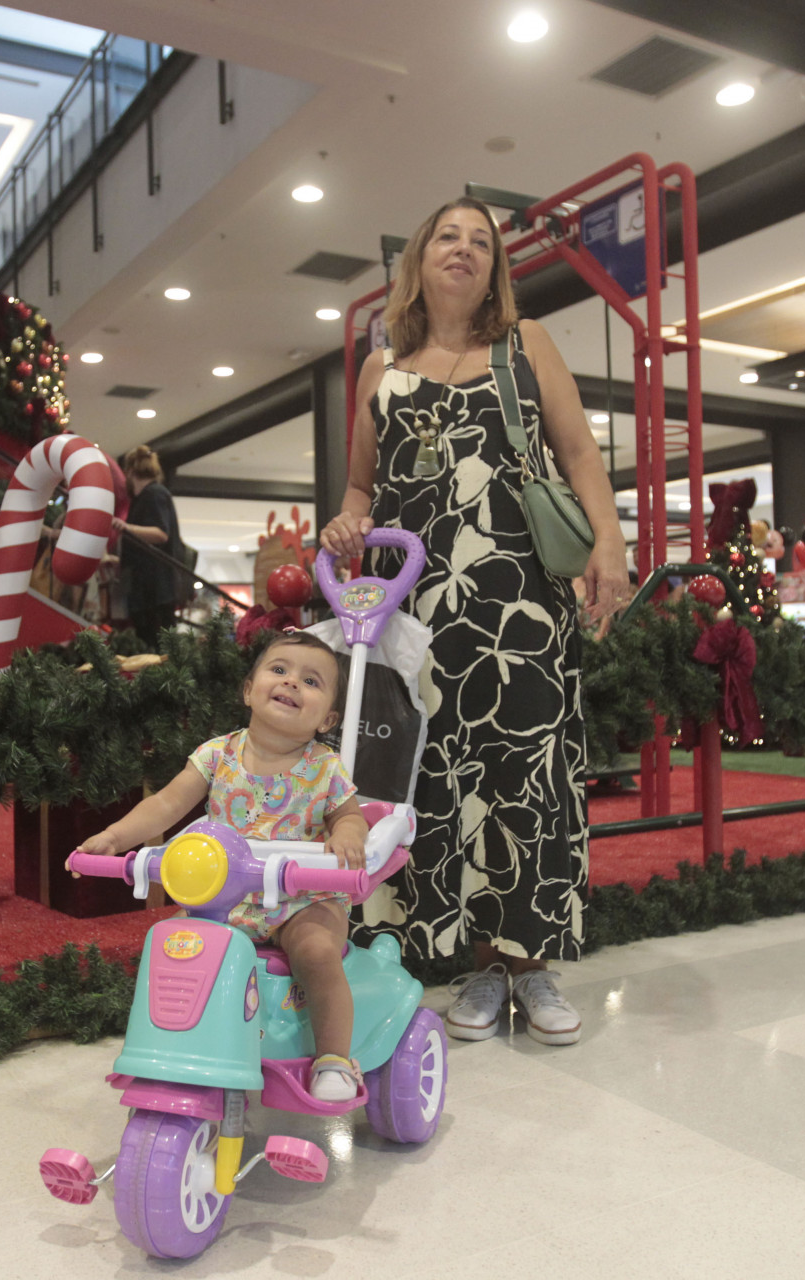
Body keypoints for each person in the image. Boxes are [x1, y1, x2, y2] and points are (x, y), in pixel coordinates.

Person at [320, 196, 631, 1047]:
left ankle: (529, 965)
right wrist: (345, 524)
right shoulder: (380, 370)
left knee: (527, 772)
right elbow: (360, 488)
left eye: (482, 243)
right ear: (419, 259)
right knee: (437, 781)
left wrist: (610, 544)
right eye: (448, 237)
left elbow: (577, 456)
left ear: (497, 268)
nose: (464, 250)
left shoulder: (525, 346)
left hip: (519, 602)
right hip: (412, 613)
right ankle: (474, 967)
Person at [75, 631, 370, 1100]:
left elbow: (349, 815)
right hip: (223, 900)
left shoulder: (325, 768)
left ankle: (334, 1059)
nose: (291, 683)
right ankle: (174, 1043)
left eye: (310, 681)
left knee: (315, 951)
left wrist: (347, 835)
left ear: (327, 718)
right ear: (248, 689)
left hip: (301, 899)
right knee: (175, 949)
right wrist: (115, 837)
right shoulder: (217, 755)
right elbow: (167, 804)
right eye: (279, 670)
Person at [114, 445, 184, 646]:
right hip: (149, 589)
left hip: (154, 589)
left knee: (155, 642)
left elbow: (160, 534)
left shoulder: (153, 495)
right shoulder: (149, 496)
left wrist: (126, 527)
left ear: (129, 471)